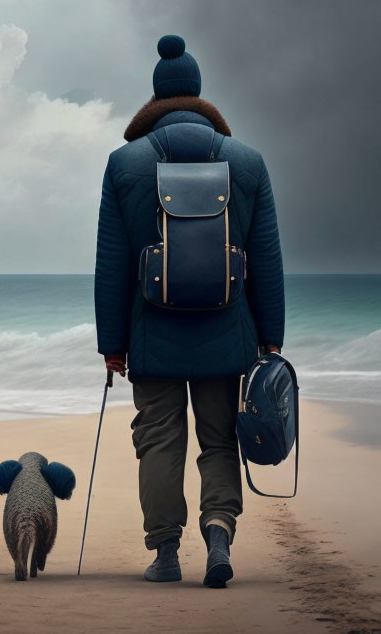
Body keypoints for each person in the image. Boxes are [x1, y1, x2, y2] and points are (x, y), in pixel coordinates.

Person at [93, 34, 285, 588]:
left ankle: (165, 553)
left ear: (156, 97)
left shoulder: (124, 164)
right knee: (220, 439)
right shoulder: (247, 162)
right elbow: (267, 259)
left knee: (158, 438)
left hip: (151, 334)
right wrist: (270, 336)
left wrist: (112, 345)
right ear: (198, 93)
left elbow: (112, 264)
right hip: (229, 334)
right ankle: (219, 529)